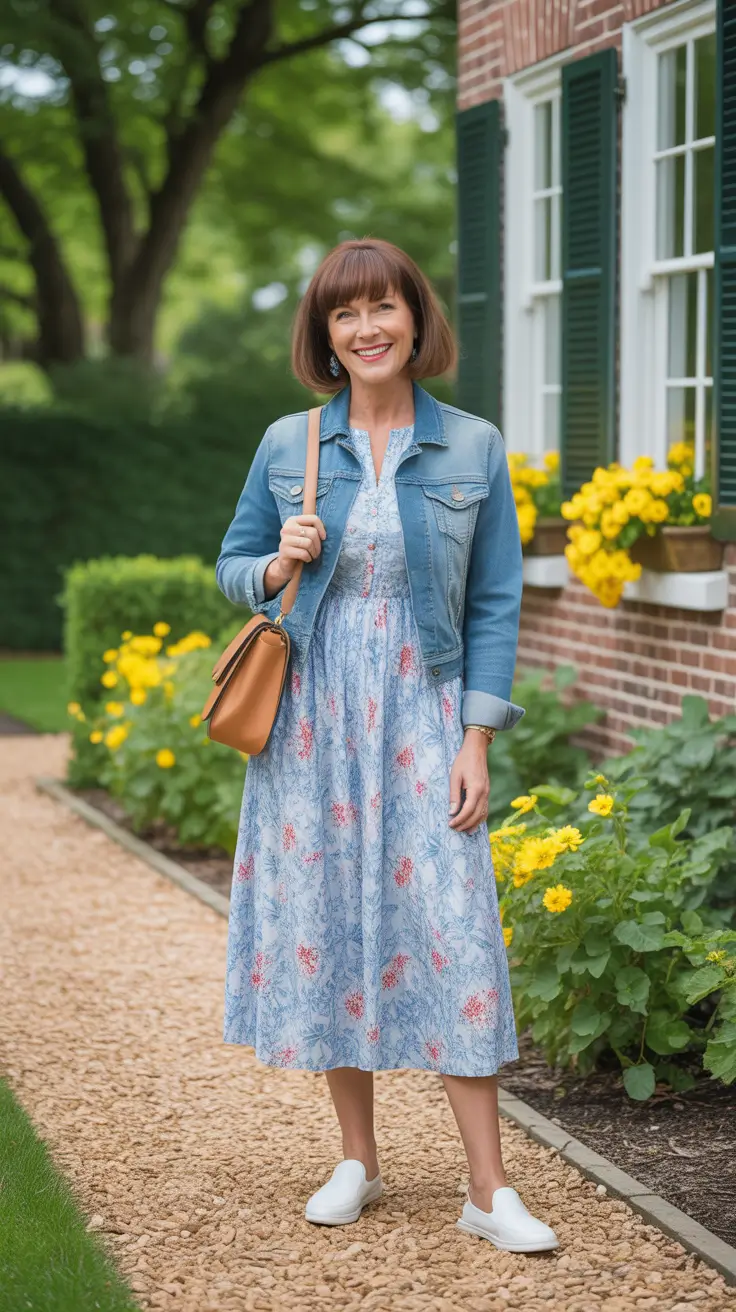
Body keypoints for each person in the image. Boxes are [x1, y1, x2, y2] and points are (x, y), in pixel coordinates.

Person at [215, 238, 558, 1253]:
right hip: (312, 716)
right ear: (324, 335)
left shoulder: (472, 447)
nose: (364, 328)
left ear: (415, 319)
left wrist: (477, 737)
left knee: (454, 926)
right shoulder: (289, 445)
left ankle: (486, 1188)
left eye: (381, 308)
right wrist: (274, 563)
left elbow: (496, 600)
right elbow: (234, 564)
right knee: (329, 918)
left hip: (423, 709)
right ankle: (357, 1157)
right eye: (342, 314)